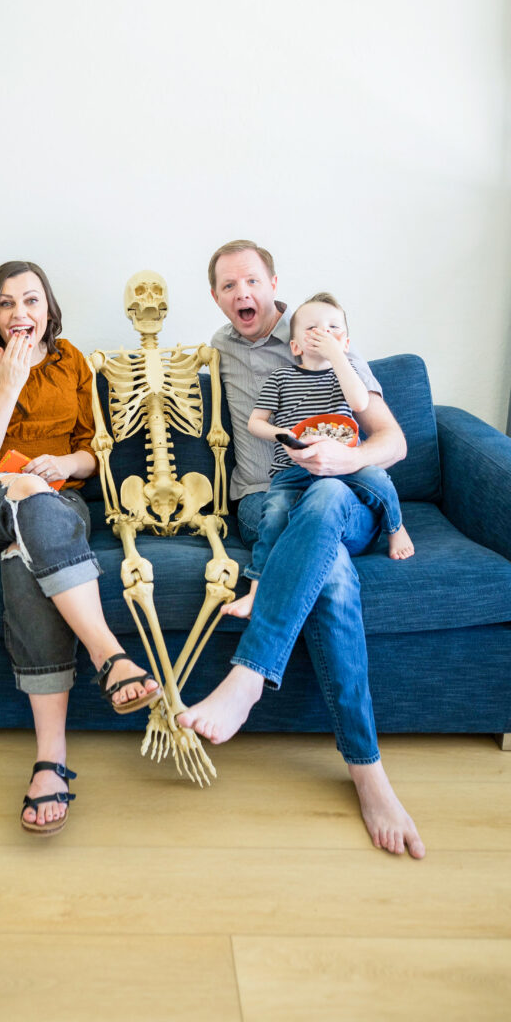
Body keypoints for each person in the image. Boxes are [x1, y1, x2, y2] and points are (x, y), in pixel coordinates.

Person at [178, 240, 425, 859]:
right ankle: (369, 773)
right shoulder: (221, 346)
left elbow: (391, 439)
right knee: (329, 566)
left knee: (324, 502)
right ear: (215, 297)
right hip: (267, 499)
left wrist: (350, 457)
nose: (243, 296)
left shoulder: (324, 334)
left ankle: (248, 676)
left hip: (346, 493)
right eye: (229, 287)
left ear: (274, 284)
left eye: (252, 282)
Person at [0, 261, 161, 836]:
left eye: (31, 301)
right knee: (24, 495)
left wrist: (64, 463)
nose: (20, 314)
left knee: (23, 558)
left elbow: (92, 452)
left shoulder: (71, 362)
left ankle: (50, 763)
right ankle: (111, 656)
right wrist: (8, 385)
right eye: (7, 304)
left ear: (48, 310)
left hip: (58, 504)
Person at [223, 291, 413, 620]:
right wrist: (281, 434)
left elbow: (359, 404)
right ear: (295, 346)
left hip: (344, 472)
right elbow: (257, 422)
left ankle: (396, 527)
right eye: (313, 329)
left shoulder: (346, 375)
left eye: (333, 328)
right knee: (275, 514)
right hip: (292, 471)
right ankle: (256, 590)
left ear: (347, 341)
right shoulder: (280, 378)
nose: (324, 334)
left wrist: (339, 357)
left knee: (377, 477)